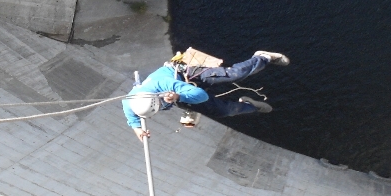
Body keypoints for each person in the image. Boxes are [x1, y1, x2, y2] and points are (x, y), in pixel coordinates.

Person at [122, 51, 290, 141]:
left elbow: (200, 95)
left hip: (186, 76)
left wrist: (177, 97)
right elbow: (131, 115)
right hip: (178, 95)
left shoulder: (163, 85)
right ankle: (250, 105)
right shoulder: (132, 103)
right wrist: (137, 129)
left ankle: (262, 57)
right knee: (223, 111)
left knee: (234, 74)